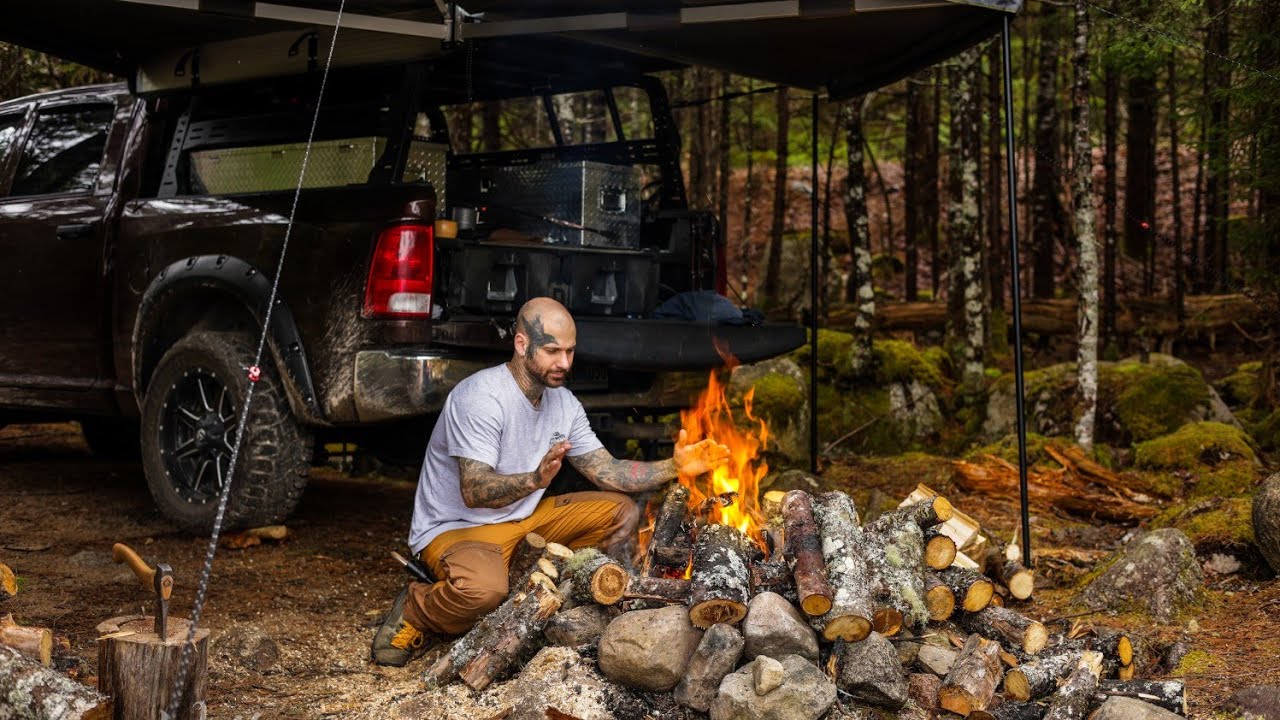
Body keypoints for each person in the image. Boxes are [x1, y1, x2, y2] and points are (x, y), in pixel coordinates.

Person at [371, 296, 731, 666]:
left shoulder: (564, 403)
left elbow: (608, 470)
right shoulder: (481, 397)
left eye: (570, 351)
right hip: (459, 527)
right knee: (484, 594)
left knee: (621, 512)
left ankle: (585, 601)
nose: (565, 363)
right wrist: (533, 480)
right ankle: (416, 608)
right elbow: (474, 491)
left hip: (525, 519)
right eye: (552, 351)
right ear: (521, 344)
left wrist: (674, 465)